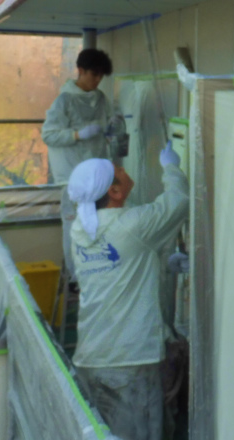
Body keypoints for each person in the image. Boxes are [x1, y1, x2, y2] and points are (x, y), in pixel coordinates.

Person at [67, 144, 189, 440]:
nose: (122, 167)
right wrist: (171, 168)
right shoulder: (132, 225)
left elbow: (120, 268)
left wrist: (163, 265)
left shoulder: (80, 230)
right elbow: (179, 200)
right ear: (115, 191)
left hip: (91, 355)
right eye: (117, 170)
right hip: (129, 359)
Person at [41, 48, 116, 276]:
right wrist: (77, 135)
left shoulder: (100, 98)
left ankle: (98, 274)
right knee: (75, 228)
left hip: (98, 177)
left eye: (101, 75)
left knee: (100, 225)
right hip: (73, 178)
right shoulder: (64, 101)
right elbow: (48, 135)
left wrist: (111, 131)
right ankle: (76, 279)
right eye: (94, 74)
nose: (98, 80)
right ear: (80, 71)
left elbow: (108, 125)